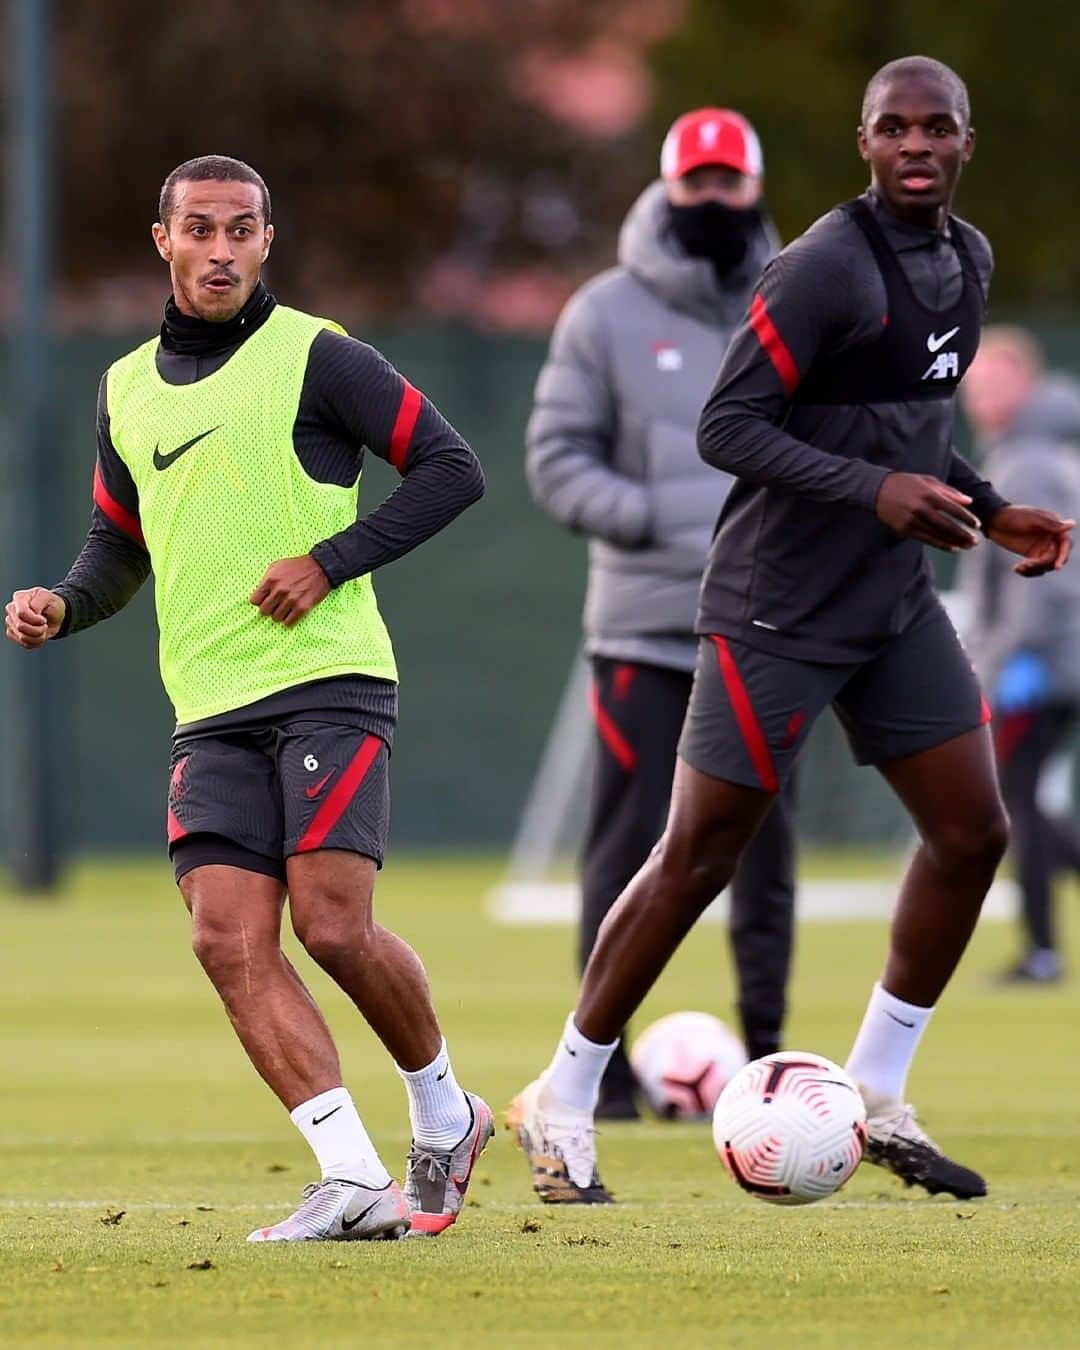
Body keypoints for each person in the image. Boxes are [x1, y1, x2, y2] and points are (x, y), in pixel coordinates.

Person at [508, 56, 1074, 1206]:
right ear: (864, 145)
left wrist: (987, 502)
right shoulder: (822, 265)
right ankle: (561, 1096)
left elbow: (907, 428)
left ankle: (876, 1089)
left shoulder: (966, 262)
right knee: (698, 858)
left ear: (966, 143)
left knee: (974, 834)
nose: (916, 145)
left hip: (891, 604)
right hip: (775, 606)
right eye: (893, 129)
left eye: (938, 128)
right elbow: (729, 426)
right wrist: (877, 493)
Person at [5, 156, 492, 1242]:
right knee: (227, 939)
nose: (220, 249)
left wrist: (330, 559)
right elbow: (117, 544)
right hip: (210, 704)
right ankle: (353, 1176)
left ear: (268, 241)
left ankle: (443, 1111)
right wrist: (64, 606)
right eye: (200, 230)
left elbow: (452, 468)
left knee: (330, 924)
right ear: (162, 240)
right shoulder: (125, 388)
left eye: (241, 231)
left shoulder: (321, 357)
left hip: (331, 683)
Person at [526, 107, 796, 1117]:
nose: (715, 200)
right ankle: (601, 1069)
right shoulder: (601, 312)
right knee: (627, 850)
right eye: (699, 182)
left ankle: (770, 1058)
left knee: (766, 853)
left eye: (732, 182)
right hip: (642, 628)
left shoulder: (795, 299)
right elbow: (556, 459)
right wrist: (658, 518)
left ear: (756, 187)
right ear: (668, 186)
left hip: (770, 630)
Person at [958, 327, 1080, 984]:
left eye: (993, 381)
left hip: (1042, 663)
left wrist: (1017, 657)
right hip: (1053, 660)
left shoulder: (1026, 460)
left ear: (1024, 383)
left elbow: (1045, 569)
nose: (978, 395)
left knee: (1016, 805)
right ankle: (1041, 950)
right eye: (973, 383)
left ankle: (1042, 954)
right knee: (1024, 801)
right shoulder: (1026, 449)